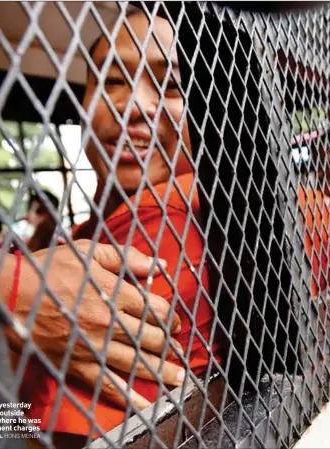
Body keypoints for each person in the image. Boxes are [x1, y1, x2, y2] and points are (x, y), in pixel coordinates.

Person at [14, 11, 224, 446]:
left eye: (171, 85)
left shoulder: (171, 227)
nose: (131, 106)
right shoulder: (86, 234)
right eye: (111, 81)